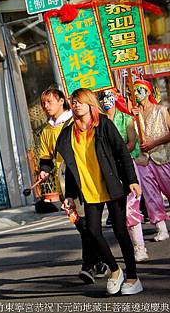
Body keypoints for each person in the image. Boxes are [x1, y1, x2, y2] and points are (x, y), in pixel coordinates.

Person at [56, 88, 143, 295]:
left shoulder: (103, 124)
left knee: (121, 232)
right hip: (88, 189)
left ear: (89, 104)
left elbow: (122, 151)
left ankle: (133, 277)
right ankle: (115, 270)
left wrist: (131, 180)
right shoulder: (69, 133)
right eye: (73, 101)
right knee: (93, 232)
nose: (76, 104)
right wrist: (69, 195)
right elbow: (71, 166)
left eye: (80, 101)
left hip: (112, 186)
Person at [36, 88, 109, 283]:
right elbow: (46, 157)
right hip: (63, 184)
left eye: (50, 101)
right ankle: (101, 261)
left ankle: (88, 265)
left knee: (87, 226)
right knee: (82, 225)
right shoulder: (45, 131)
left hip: (83, 178)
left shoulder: (74, 122)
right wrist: (44, 169)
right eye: (44, 103)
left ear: (61, 101)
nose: (46, 106)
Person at [98, 89, 148, 261]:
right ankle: (129, 248)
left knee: (131, 208)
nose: (105, 101)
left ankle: (140, 247)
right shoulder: (98, 124)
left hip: (126, 167)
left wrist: (115, 155)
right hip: (108, 171)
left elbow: (131, 142)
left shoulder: (126, 119)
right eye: (102, 98)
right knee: (119, 213)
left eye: (108, 97)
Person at [132, 79, 170, 242]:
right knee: (151, 195)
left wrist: (154, 143)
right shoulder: (133, 115)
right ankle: (161, 227)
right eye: (134, 91)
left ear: (148, 92)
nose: (137, 94)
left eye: (140, 90)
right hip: (143, 161)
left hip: (163, 157)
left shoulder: (161, 110)